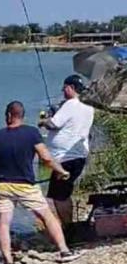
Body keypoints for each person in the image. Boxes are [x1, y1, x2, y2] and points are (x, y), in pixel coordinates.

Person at [0, 101, 83, 264]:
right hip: (26, 186)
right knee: (47, 216)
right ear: (21, 115)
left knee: (4, 223)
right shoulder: (31, 133)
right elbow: (46, 158)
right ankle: (64, 252)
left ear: (8, 115)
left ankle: (8, 261)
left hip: (3, 186)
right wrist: (61, 171)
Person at [38, 74, 94, 226]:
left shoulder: (70, 104)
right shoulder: (89, 107)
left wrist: (43, 121)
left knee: (59, 196)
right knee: (65, 193)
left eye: (65, 87)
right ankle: (70, 226)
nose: (63, 90)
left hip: (65, 158)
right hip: (79, 157)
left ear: (72, 88)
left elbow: (53, 125)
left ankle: (68, 229)